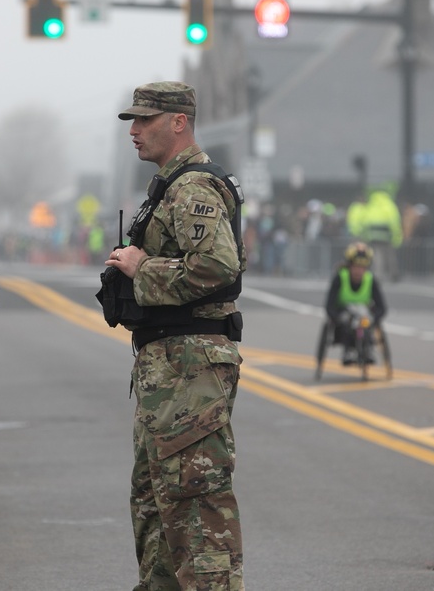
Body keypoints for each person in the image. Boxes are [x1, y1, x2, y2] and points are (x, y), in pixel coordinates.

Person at [104, 81, 246, 590]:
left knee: (195, 511)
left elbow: (217, 266)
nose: (135, 131)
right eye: (132, 122)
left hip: (191, 367)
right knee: (156, 507)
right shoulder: (170, 186)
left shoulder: (191, 188)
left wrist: (142, 269)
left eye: (145, 121)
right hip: (168, 367)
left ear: (179, 122)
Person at [324, 242, 388, 365]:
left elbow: (382, 307)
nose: (359, 271)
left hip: (364, 312)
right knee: (347, 321)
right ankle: (348, 350)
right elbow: (329, 304)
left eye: (362, 267)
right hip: (344, 311)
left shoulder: (371, 279)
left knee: (366, 320)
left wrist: (374, 319)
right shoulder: (340, 277)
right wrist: (336, 317)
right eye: (356, 267)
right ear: (349, 266)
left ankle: (368, 349)